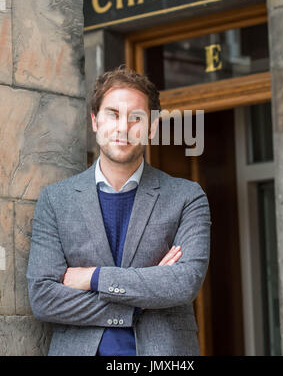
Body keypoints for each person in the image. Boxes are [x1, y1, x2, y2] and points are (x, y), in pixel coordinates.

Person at [26, 66, 211, 356]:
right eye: (112, 114)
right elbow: (43, 298)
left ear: (151, 127)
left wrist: (93, 278)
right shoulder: (56, 200)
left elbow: (184, 282)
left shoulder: (187, 197)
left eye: (136, 117)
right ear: (95, 122)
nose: (123, 127)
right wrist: (138, 300)